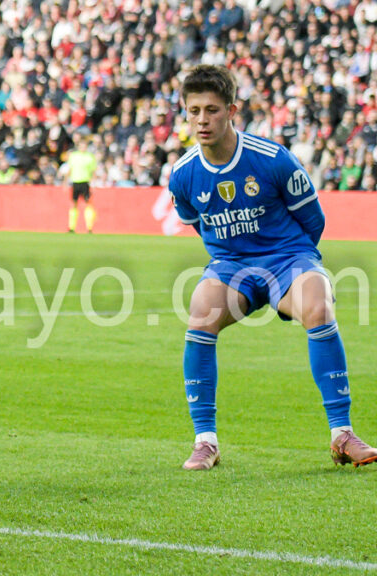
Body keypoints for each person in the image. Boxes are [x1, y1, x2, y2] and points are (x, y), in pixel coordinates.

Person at [168, 64, 377, 471]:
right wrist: (229, 258)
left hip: (287, 257)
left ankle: (342, 434)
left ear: (232, 110)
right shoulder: (183, 175)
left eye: (212, 110)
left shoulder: (272, 158)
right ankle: (205, 441)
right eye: (194, 111)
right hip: (231, 265)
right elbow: (196, 223)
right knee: (200, 314)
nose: (202, 120)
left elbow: (313, 220)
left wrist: (299, 266)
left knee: (317, 305)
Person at [60, 137, 97, 233]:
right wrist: (65, 182)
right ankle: (71, 227)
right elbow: (70, 169)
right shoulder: (73, 156)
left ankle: (89, 227)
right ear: (78, 146)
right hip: (75, 182)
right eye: (81, 146)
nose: (83, 147)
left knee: (88, 203)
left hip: (85, 182)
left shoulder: (90, 157)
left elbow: (93, 171)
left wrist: (94, 184)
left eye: (84, 146)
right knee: (74, 203)